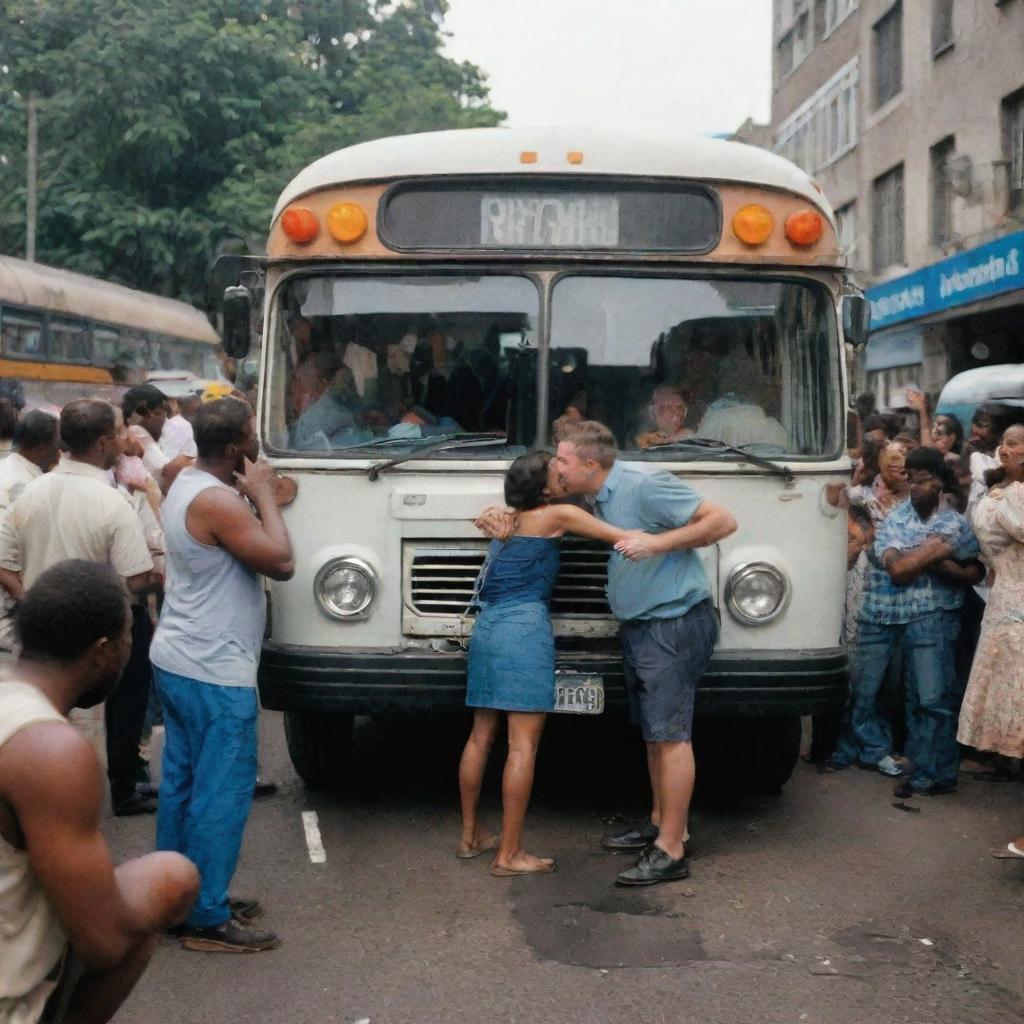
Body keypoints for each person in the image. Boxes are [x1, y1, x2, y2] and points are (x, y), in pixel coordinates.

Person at [0, 560, 198, 1024]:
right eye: (129, 637)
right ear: (103, 651)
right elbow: (104, 942)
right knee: (170, 877)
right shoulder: (51, 750)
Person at [555, 421, 736, 886]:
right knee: (656, 733)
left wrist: (655, 543)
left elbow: (722, 521)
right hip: (645, 627)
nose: (556, 467)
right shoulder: (596, 496)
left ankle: (671, 849)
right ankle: (661, 822)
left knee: (672, 735)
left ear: (590, 465)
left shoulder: (645, 484)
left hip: (671, 625)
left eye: (562, 461)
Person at [459, 451, 648, 877]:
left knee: (480, 738)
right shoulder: (557, 514)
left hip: (487, 628)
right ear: (545, 488)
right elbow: (620, 536)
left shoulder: (510, 521)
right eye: (555, 472)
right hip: (524, 630)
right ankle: (508, 855)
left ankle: (470, 837)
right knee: (522, 746)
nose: (562, 473)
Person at [151, 398, 293, 953]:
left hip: (179, 657)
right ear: (236, 446)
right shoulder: (219, 502)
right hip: (215, 668)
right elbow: (281, 560)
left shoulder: (186, 483)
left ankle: (175, 898)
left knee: (182, 787)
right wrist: (261, 496)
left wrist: (261, 496)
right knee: (221, 793)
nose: (258, 444)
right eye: (254, 435)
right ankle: (207, 918)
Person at [0, 400, 159, 817]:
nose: (127, 439)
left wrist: (33, 599)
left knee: (47, 704)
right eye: (122, 431)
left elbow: (4, 562)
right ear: (104, 442)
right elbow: (137, 578)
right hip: (106, 622)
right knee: (124, 704)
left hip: (41, 620)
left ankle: (40, 789)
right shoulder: (112, 502)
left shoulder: (30, 491)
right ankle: (122, 788)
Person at [831, 447, 983, 796]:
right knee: (900, 694)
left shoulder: (953, 521)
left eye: (924, 479)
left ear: (940, 483)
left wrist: (928, 556)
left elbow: (975, 570)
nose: (916, 487)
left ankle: (936, 771)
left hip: (935, 617)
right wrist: (937, 554)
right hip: (900, 611)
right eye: (910, 479)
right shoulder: (899, 519)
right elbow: (897, 570)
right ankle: (918, 768)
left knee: (932, 699)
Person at [956, 425, 1024, 850]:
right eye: (1007, 441)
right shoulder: (1006, 497)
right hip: (1010, 615)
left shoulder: (1001, 498)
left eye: (1017, 441)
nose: (1007, 447)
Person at [0, 411, 59, 652]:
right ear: (42, 446)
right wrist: (27, 602)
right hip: (10, 611)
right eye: (57, 444)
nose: (60, 451)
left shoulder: (7, 468)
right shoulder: (25, 487)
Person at [122, 385, 193, 492]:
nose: (149, 418)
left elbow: (164, 473)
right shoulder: (133, 433)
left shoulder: (177, 426)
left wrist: (146, 442)